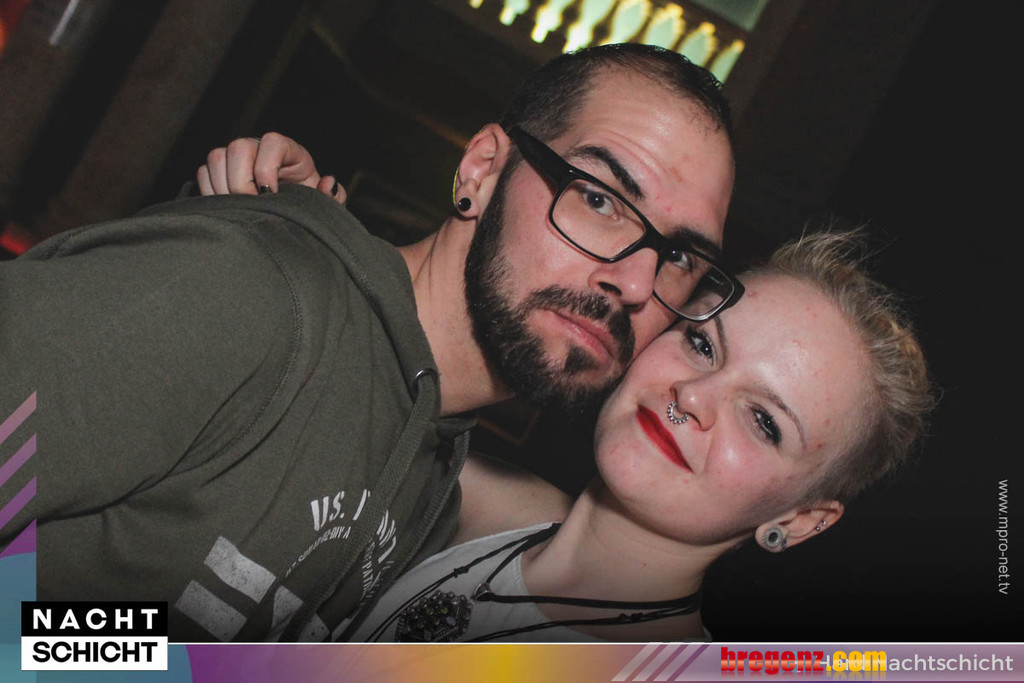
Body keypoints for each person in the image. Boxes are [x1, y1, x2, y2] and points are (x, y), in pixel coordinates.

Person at [0, 44, 736, 641]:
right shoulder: (252, 297)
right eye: (600, 198)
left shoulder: (430, 479)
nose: (635, 283)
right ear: (482, 169)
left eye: (677, 256)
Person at [342, 230, 934, 642]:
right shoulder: (465, 497)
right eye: (702, 344)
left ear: (801, 519)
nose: (693, 396)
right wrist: (311, 233)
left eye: (764, 422)